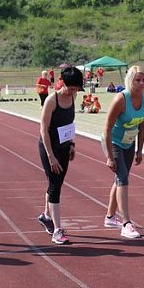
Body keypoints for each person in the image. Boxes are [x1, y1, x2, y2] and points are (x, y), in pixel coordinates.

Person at [102, 65, 144, 239]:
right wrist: (109, 156)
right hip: (114, 142)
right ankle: (126, 223)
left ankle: (109, 217)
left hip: (129, 143)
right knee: (123, 178)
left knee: (120, 179)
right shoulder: (121, 99)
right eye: (138, 80)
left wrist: (140, 149)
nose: (141, 83)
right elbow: (107, 128)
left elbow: (143, 124)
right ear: (130, 81)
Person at [37, 67, 84, 244]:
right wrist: (50, 156)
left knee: (56, 183)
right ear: (62, 83)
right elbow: (44, 129)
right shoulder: (51, 100)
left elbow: (70, 123)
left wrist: (72, 144)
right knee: (55, 185)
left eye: (76, 89)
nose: (73, 92)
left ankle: (45, 215)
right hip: (49, 147)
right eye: (71, 88)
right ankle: (57, 230)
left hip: (64, 146)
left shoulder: (73, 96)